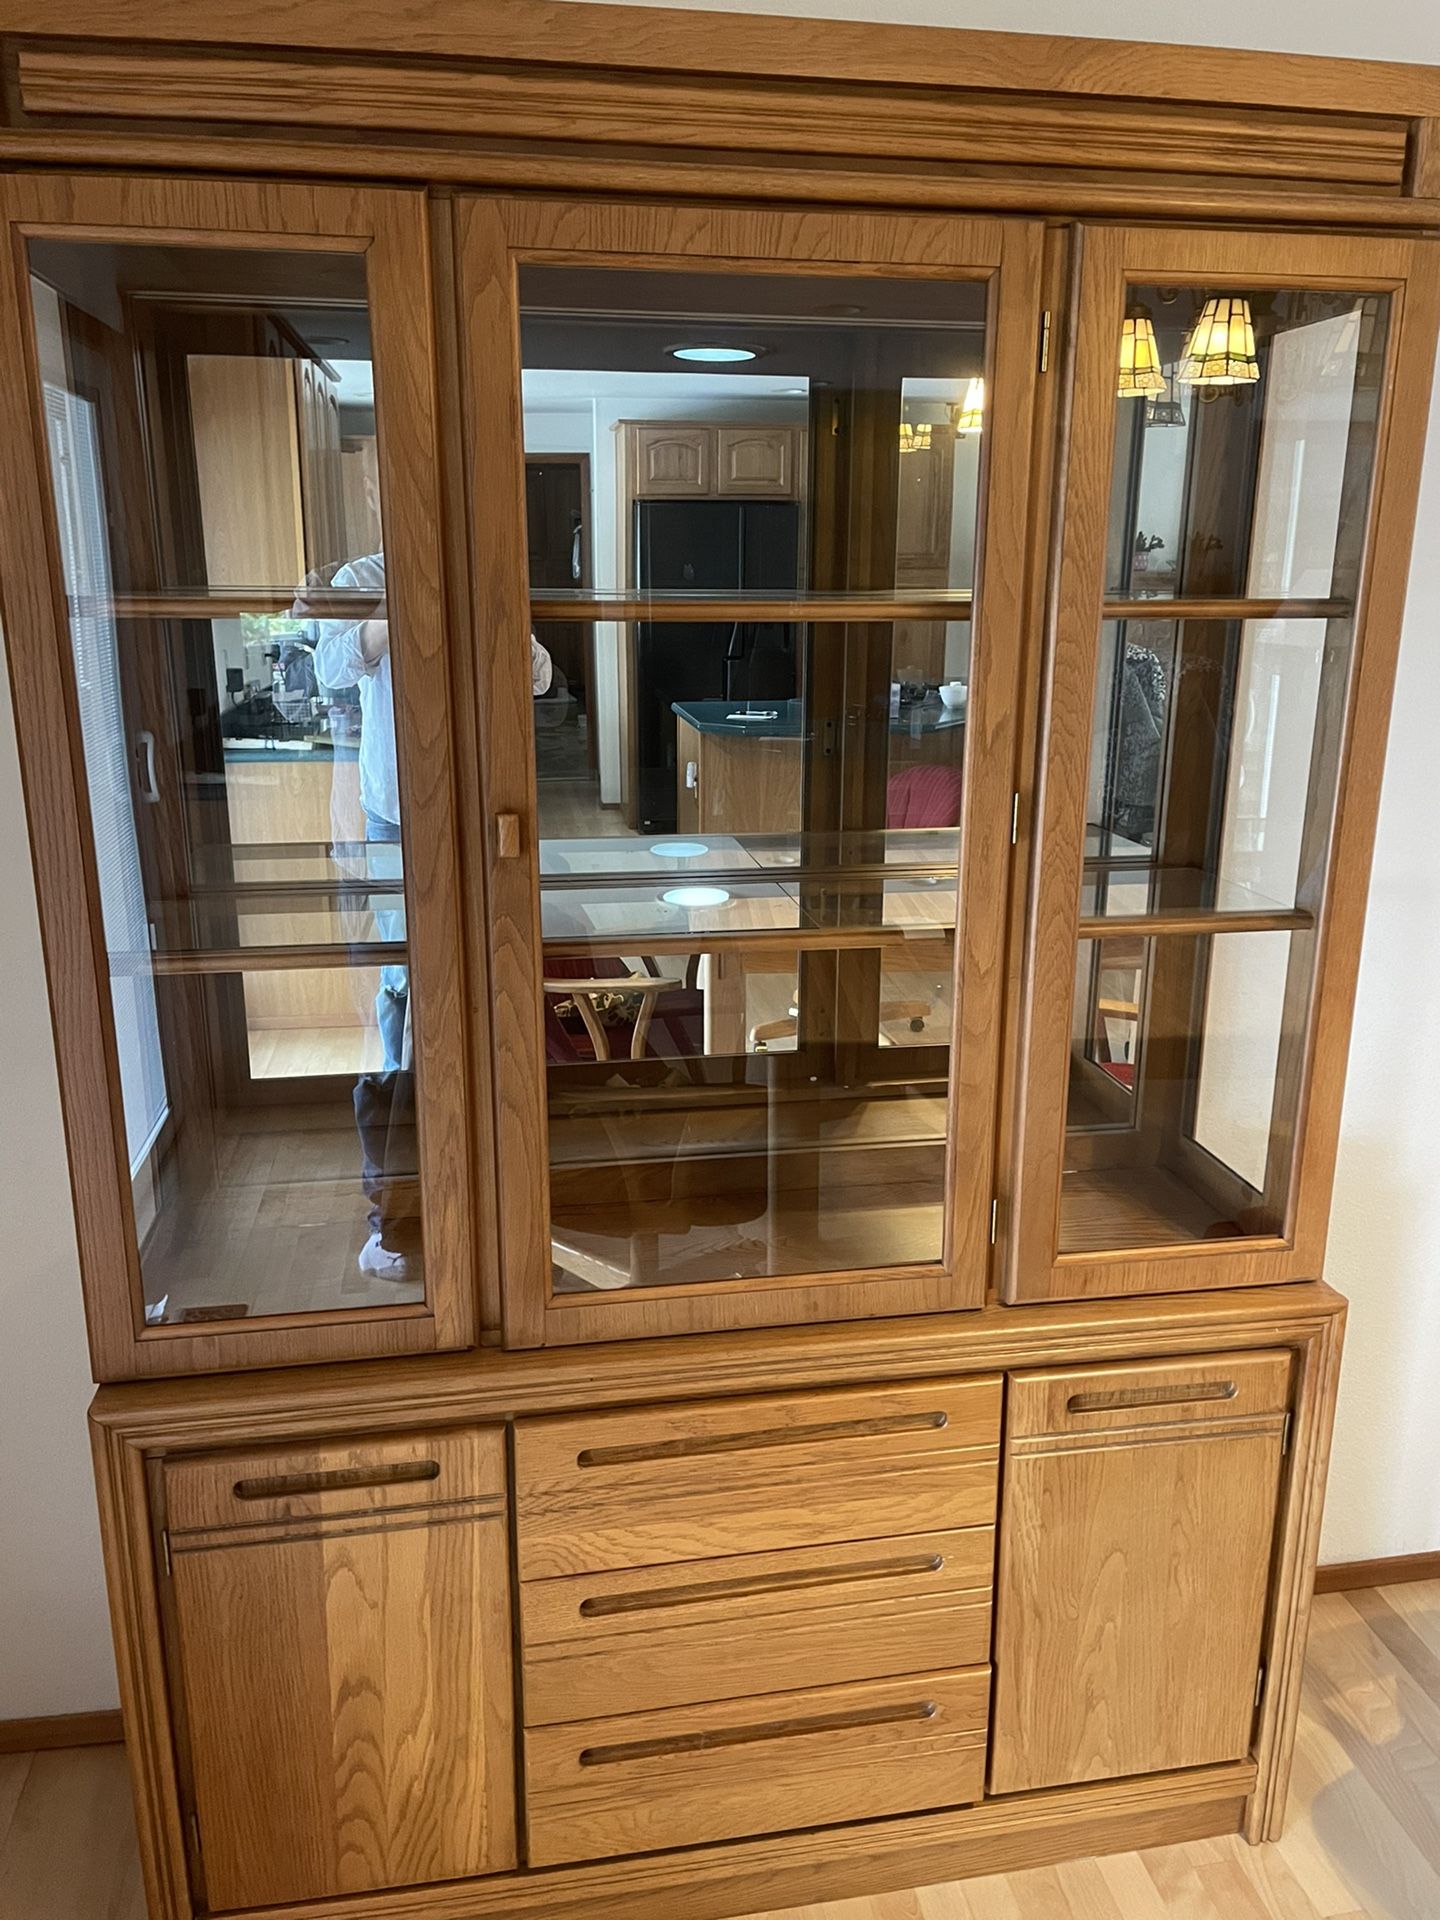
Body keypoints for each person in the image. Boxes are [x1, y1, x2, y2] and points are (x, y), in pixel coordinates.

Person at [312, 549, 552, 1280]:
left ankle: (489, 1179)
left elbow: (538, 677)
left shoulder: (489, 552)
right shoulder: (363, 579)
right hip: (396, 819)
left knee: (489, 979)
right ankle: (402, 1180)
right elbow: (329, 667)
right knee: (404, 986)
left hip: (487, 812)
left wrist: (495, 615)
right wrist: (406, 606)